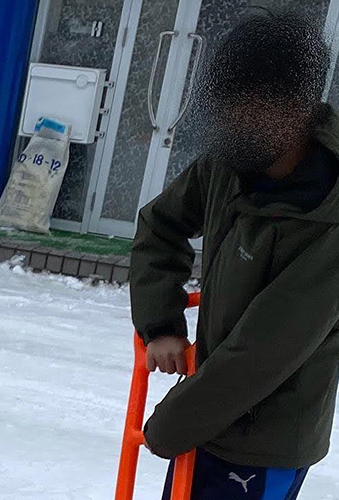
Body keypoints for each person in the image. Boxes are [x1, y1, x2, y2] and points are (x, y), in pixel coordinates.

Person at [130, 10, 339, 500]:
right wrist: (160, 322)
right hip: (208, 419)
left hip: (265, 443)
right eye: (223, 106)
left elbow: (266, 349)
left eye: (241, 109)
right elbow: (160, 226)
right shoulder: (235, 160)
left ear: (293, 110)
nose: (227, 121)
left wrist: (169, 426)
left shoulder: (329, 216)